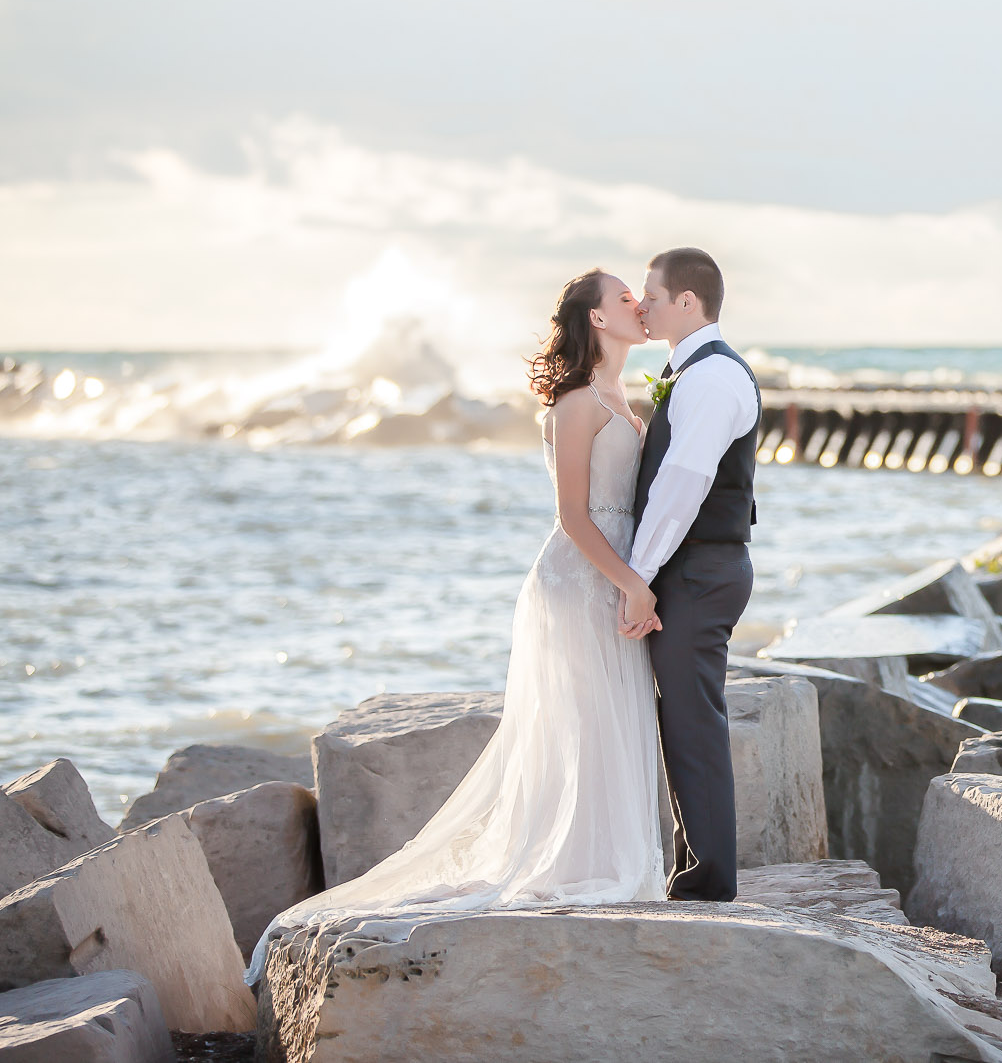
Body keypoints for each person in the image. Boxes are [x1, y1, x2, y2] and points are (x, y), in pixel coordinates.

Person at [245, 269, 667, 982]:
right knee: (582, 723)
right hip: (578, 580)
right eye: (624, 296)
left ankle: (608, 858)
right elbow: (572, 516)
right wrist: (631, 582)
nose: (638, 303)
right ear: (596, 319)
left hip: (620, 578)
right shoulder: (574, 404)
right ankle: (578, 864)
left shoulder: (625, 396)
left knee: (611, 721)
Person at [626, 247, 762, 901]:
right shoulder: (690, 370)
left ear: (687, 301)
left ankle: (708, 878)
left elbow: (683, 484)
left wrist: (637, 574)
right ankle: (697, 864)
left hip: (698, 571)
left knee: (692, 719)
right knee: (683, 716)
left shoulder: (710, 378)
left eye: (650, 295)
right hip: (696, 568)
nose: (640, 305)